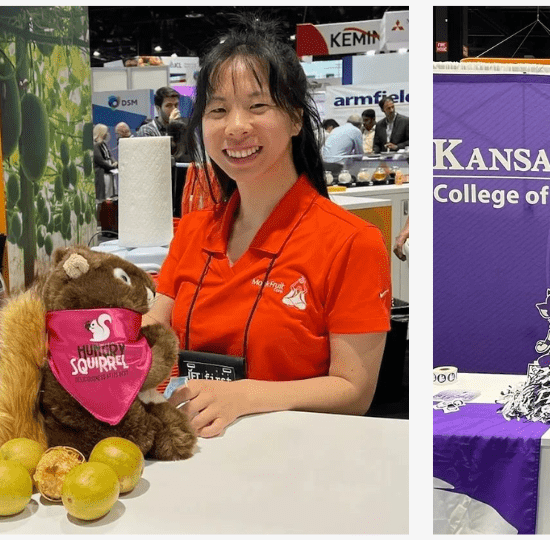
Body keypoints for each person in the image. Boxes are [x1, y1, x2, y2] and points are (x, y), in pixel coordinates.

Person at [147, 15, 391, 439]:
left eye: (258, 106)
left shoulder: (352, 242)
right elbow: (153, 329)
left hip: (298, 462)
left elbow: (354, 391)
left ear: (296, 119)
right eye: (217, 110)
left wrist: (245, 396)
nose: (236, 126)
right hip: (197, 451)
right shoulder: (194, 230)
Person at [92, 123, 117, 201]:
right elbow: (100, 161)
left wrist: (114, 163)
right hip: (102, 174)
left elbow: (109, 156)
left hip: (108, 173)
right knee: (103, 195)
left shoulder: (103, 144)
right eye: (106, 132)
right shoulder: (95, 145)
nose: (107, 134)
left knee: (109, 195)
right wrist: (112, 166)